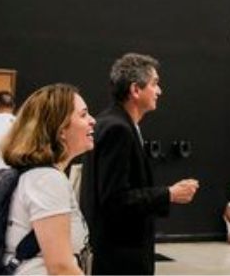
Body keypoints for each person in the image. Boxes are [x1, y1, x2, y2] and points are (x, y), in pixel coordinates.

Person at [80, 53, 199, 275]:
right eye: (154, 84)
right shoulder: (118, 130)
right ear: (136, 90)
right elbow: (115, 199)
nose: (159, 91)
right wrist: (169, 194)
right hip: (119, 256)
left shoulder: (115, 123)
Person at [0, 83, 95, 275]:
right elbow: (61, 267)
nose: (92, 120)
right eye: (83, 115)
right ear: (60, 130)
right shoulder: (47, 180)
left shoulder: (38, 176)